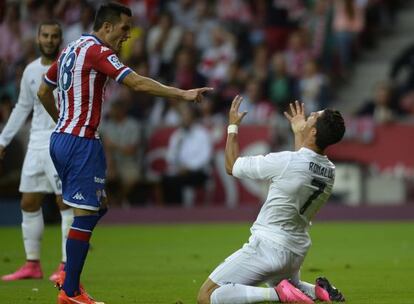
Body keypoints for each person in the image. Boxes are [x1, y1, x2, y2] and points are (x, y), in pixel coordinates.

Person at [37, 3, 212, 304]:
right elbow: (136, 82)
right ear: (106, 27)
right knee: (86, 213)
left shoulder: (71, 47)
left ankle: (70, 277)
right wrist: (182, 94)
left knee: (97, 206)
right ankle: (70, 292)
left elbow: (43, 90)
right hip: (80, 142)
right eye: (123, 29)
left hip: (62, 139)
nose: (127, 36)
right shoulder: (98, 51)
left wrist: (63, 122)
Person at [197, 98, 346, 304]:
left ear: (313, 132)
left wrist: (232, 126)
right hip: (296, 251)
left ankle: (277, 294)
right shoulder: (330, 171)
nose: (308, 116)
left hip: (268, 246)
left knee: (206, 296)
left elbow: (231, 166)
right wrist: (298, 132)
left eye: (313, 117)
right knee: (291, 286)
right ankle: (320, 291)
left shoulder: (285, 161)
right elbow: (303, 164)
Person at [0, 21, 74, 282]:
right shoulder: (31, 70)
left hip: (61, 140)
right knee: (28, 202)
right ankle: (32, 264)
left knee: (64, 203)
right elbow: (22, 107)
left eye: (55, 36)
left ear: (60, 38)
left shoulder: (69, 66)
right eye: (46, 35)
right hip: (35, 142)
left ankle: (66, 267)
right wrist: (3, 140)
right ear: (38, 38)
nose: (50, 40)